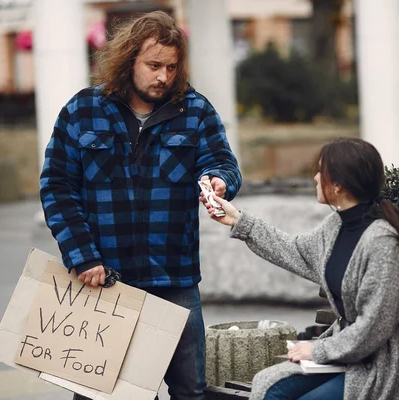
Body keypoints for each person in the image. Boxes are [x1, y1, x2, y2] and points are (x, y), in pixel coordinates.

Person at [39, 11, 242, 400]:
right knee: (105, 394)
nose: (163, 76)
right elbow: (57, 186)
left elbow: (222, 161)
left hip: (176, 281)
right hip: (104, 282)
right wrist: (82, 256)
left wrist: (220, 180)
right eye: (153, 65)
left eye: (171, 67)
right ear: (129, 58)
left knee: (191, 391)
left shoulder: (195, 110)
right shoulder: (82, 111)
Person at [206, 137, 399, 400]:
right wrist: (238, 220)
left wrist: (316, 351)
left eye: (321, 171)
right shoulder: (335, 227)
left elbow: (373, 330)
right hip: (346, 354)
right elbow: (293, 250)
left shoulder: (382, 243)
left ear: (339, 185)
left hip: (380, 364)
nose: (316, 178)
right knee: (267, 387)